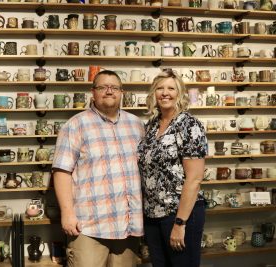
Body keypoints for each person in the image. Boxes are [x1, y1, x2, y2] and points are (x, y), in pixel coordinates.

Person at [52, 70, 144, 267]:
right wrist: (67, 214)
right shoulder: (75, 125)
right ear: (92, 92)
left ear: (122, 92)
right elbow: (61, 171)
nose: (109, 91)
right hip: (89, 227)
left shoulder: (137, 125)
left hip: (128, 225)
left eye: (114, 87)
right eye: (102, 87)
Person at [137, 70, 208, 267]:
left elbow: (194, 178)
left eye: (171, 88)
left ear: (180, 93)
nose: (165, 93)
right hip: (152, 214)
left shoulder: (189, 125)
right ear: (154, 94)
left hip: (179, 213)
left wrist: (180, 223)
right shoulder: (151, 126)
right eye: (160, 88)